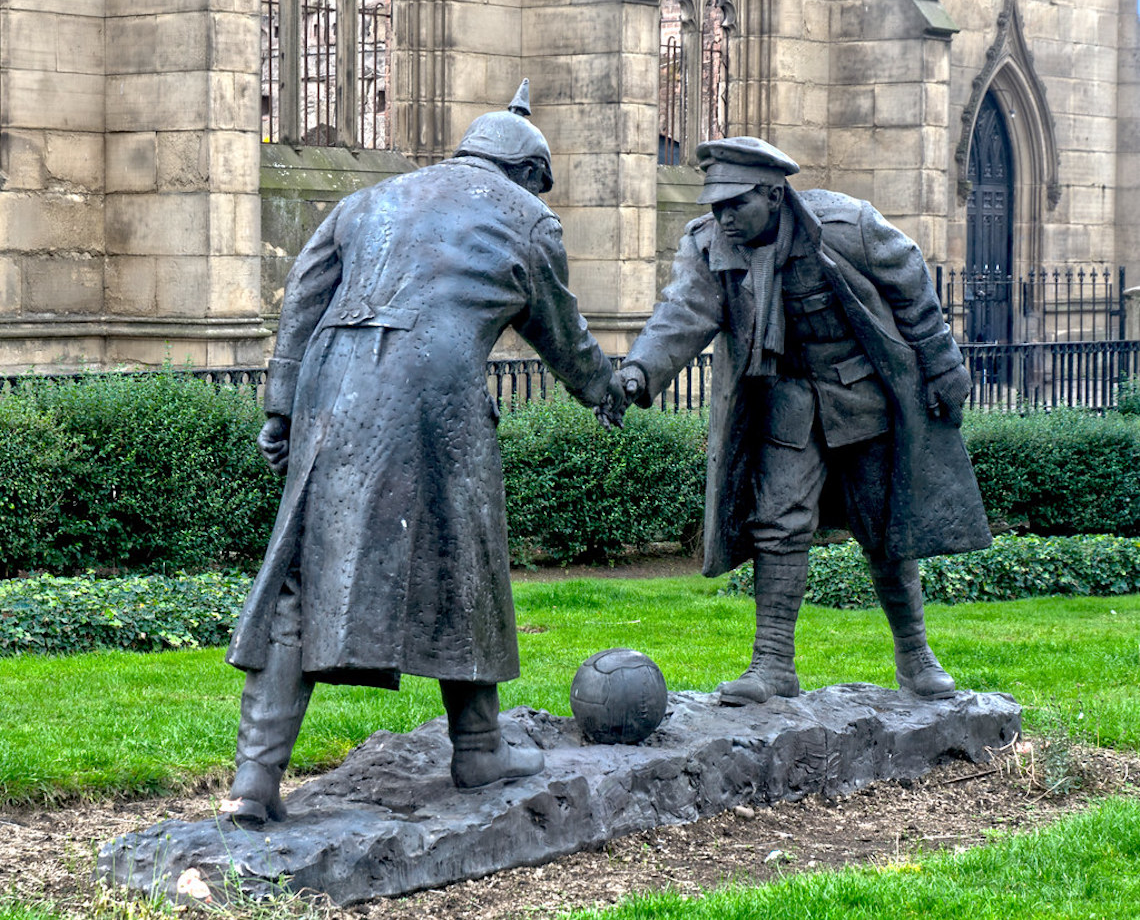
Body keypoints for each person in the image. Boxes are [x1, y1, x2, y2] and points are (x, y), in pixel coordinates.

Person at [224, 82, 626, 825]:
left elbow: (304, 296)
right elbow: (561, 332)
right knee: (462, 561)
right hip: (433, 389)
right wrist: (605, 389)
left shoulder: (372, 198)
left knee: (297, 576)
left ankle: (254, 780)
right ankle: (478, 747)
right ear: (528, 173)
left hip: (332, 382)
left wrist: (280, 408)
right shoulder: (528, 219)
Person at [619, 136, 992, 707]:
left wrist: (943, 366)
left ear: (773, 194)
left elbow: (912, 284)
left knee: (885, 526)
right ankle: (772, 664)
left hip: (860, 392)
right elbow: (681, 312)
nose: (723, 217)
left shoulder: (847, 226)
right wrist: (639, 372)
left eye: (734, 204)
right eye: (715, 206)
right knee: (778, 522)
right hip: (787, 399)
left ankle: (915, 655)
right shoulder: (709, 244)